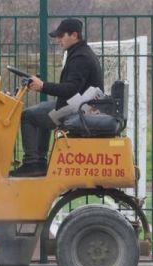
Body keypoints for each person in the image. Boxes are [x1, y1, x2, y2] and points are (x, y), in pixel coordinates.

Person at [10, 18, 103, 177]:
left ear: (74, 35)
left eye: (61, 36)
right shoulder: (79, 53)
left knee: (28, 116)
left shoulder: (81, 57)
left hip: (78, 111)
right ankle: (38, 161)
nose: (58, 40)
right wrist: (41, 85)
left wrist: (43, 86)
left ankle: (33, 163)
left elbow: (71, 89)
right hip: (77, 106)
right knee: (38, 111)